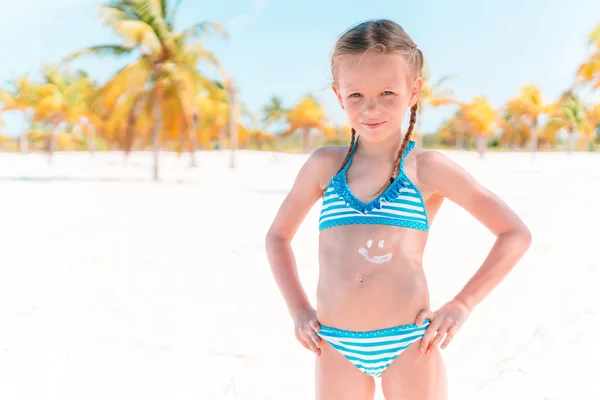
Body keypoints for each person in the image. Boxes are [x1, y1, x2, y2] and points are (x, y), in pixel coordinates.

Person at [265, 19, 532, 400]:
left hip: (408, 342)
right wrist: (299, 309)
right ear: (340, 96)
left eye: (387, 92)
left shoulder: (428, 169)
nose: (370, 108)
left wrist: (462, 304)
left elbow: (514, 234)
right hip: (335, 344)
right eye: (356, 95)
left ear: (413, 91)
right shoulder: (325, 166)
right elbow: (278, 237)